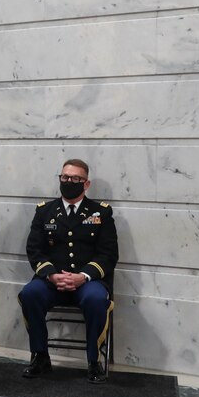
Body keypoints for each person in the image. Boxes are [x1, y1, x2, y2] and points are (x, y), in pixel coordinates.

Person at [18, 159, 118, 384]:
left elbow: (108, 254)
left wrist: (83, 277)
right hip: (52, 281)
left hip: (88, 282)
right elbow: (35, 249)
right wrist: (51, 274)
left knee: (95, 299)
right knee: (30, 294)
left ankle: (94, 362)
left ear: (86, 184)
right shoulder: (45, 211)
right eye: (65, 177)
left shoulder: (101, 213)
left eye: (75, 179)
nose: (68, 182)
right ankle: (41, 357)